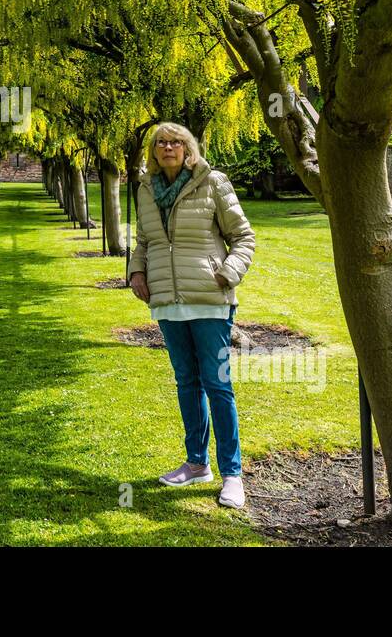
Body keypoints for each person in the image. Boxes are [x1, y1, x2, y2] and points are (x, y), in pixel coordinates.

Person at [126, 122, 256, 508]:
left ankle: (232, 474)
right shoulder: (146, 189)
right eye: (161, 142)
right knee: (187, 382)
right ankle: (197, 463)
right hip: (168, 299)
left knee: (218, 385)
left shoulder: (213, 182)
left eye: (175, 142)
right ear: (153, 151)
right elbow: (146, 241)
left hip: (209, 299)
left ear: (187, 149)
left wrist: (228, 273)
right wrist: (136, 270)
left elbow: (243, 237)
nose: (168, 147)